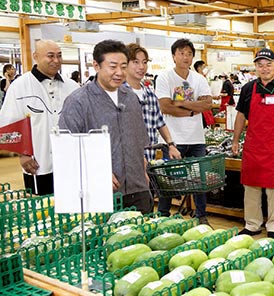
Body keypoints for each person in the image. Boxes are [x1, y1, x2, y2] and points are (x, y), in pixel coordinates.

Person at [59, 40, 153, 213]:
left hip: (138, 188)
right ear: (96, 65)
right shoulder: (78, 102)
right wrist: (96, 171)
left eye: (124, 66)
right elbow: (66, 149)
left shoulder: (130, 98)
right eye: (113, 66)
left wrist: (143, 169)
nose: (119, 72)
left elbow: (138, 141)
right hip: (100, 193)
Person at [231, 48, 274, 239]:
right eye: (260, 65)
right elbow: (240, 116)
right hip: (252, 147)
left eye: (268, 64)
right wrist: (235, 140)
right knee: (251, 187)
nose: (264, 68)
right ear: (255, 68)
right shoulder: (248, 89)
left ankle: (273, 225)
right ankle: (252, 224)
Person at [0, 40, 78, 195]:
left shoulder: (72, 87)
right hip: (37, 163)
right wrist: (23, 154)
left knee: (72, 206)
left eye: (59, 56)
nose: (56, 61)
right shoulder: (20, 86)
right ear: (36, 56)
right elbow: (9, 124)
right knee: (42, 211)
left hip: (70, 162)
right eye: (50, 56)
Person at [155, 39, 213, 225]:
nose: (185, 57)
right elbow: (164, 107)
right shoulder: (165, 77)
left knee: (199, 180)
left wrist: (179, 102)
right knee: (170, 179)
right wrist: (191, 109)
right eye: (181, 53)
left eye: (189, 54)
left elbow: (207, 104)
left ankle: (201, 216)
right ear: (173, 56)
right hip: (173, 138)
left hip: (197, 138)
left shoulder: (199, 79)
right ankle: (163, 215)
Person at [124, 43, 181, 162]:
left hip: (150, 158)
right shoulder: (119, 94)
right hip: (127, 162)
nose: (141, 67)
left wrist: (171, 145)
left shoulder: (149, 94)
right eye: (136, 62)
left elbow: (160, 123)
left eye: (144, 62)